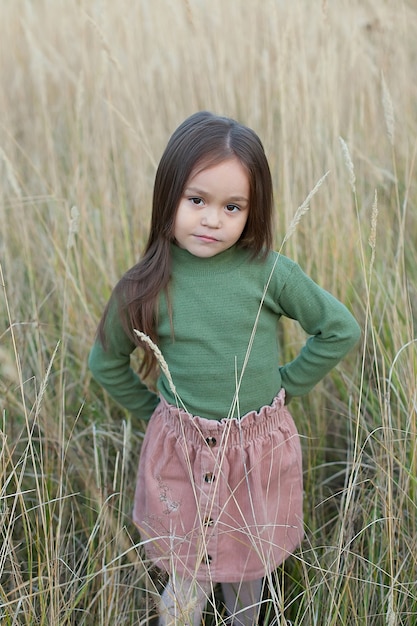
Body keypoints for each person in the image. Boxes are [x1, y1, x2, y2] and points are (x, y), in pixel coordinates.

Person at [89, 111, 361, 626]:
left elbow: (339, 328)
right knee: (185, 582)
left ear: (251, 211)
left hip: (253, 454)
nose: (212, 219)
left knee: (247, 580)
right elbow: (105, 363)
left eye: (232, 207)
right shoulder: (145, 283)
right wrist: (156, 412)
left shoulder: (269, 272)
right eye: (197, 200)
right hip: (182, 453)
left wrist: (288, 382)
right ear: (167, 194)